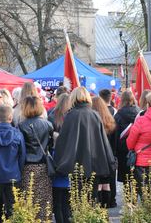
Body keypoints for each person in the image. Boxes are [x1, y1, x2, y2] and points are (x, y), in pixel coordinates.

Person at [54, 87, 116, 196]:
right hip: (94, 163)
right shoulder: (95, 115)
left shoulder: (71, 116)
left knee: (77, 199)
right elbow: (102, 140)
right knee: (92, 198)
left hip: (76, 165)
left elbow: (62, 142)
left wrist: (59, 162)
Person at [0, 104, 26, 223]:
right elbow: (22, 156)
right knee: (12, 208)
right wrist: (18, 171)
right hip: (12, 175)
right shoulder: (17, 134)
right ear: (11, 117)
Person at [18, 96, 53, 221]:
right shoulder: (48, 125)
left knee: (28, 199)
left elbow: (19, 148)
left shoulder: (21, 126)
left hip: (27, 167)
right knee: (44, 200)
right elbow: (51, 145)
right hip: (44, 166)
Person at [48, 93, 72, 223]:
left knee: (57, 200)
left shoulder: (52, 116)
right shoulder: (70, 117)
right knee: (65, 200)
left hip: (55, 156)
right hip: (67, 157)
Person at [91, 96, 117, 208]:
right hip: (109, 155)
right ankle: (107, 204)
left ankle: (98, 206)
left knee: (97, 184)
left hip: (96, 156)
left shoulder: (92, 121)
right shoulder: (110, 120)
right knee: (107, 184)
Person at [114, 90, 140, 184]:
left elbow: (115, 134)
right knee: (136, 178)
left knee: (126, 180)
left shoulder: (118, 115)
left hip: (122, 151)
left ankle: (128, 198)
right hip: (137, 149)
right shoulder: (139, 113)